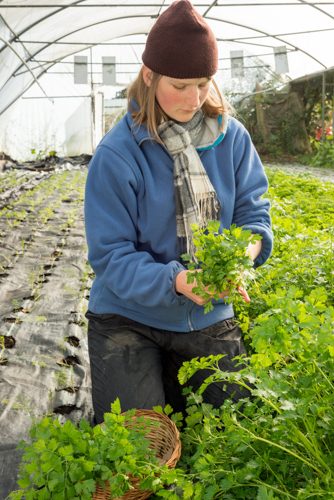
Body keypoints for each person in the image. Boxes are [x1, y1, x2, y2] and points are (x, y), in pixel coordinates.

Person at [84, 0, 273, 424]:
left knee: (233, 427)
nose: (194, 99)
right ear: (149, 76)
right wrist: (178, 280)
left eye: (203, 83)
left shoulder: (232, 138)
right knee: (138, 439)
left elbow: (253, 213)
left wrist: (240, 258)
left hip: (206, 310)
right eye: (180, 85)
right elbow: (111, 255)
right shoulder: (118, 154)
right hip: (128, 316)